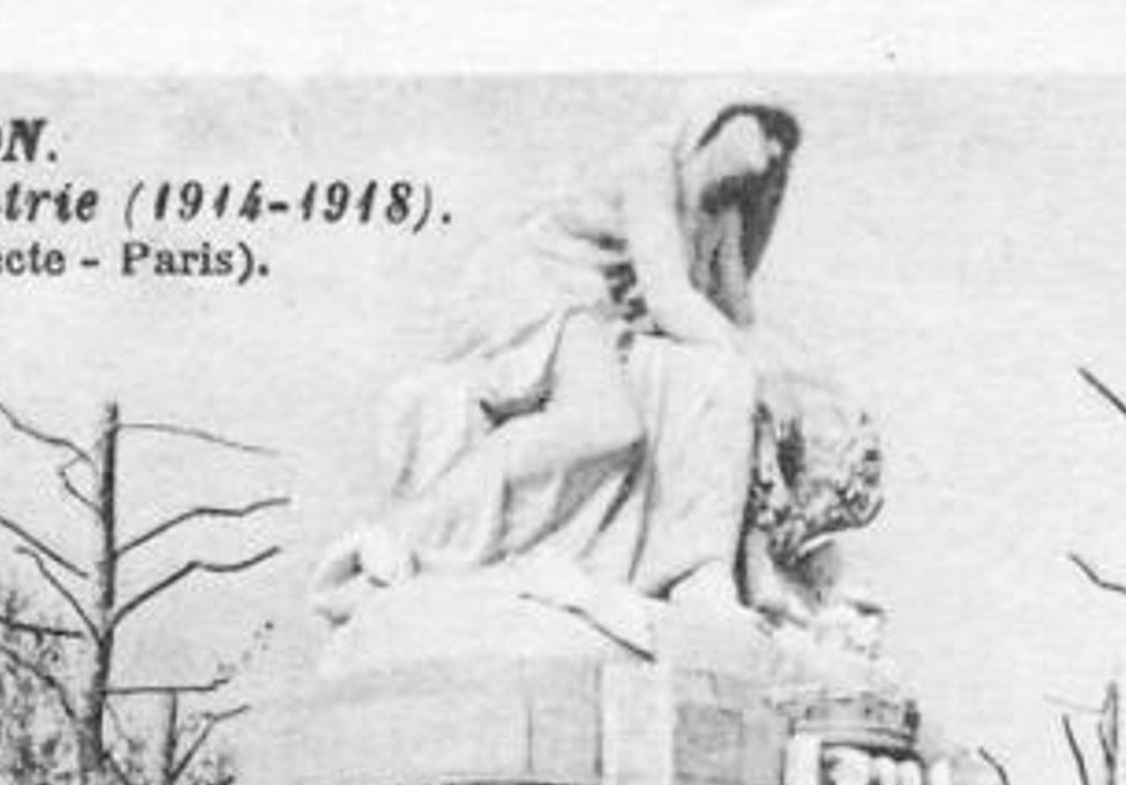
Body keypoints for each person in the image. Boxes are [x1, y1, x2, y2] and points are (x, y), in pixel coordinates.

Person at [314, 93, 803, 625]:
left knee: (717, 379)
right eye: (767, 127)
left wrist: (778, 373)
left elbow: (738, 318)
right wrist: (756, 364)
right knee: (604, 422)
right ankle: (405, 533)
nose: (776, 150)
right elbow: (669, 297)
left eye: (785, 142)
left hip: (599, 315)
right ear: (720, 115)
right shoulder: (652, 166)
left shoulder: (723, 214)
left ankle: (699, 572)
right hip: (539, 286)